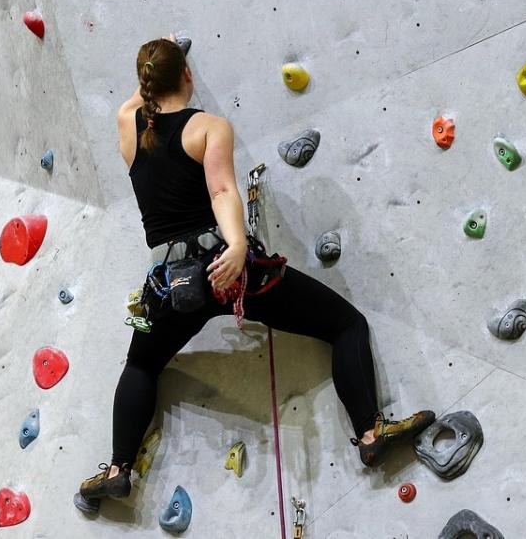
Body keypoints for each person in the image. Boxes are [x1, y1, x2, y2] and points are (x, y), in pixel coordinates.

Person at [78, 38, 435, 504]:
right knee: (346, 324)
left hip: (170, 286)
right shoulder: (208, 127)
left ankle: (118, 468)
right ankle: (370, 433)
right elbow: (223, 191)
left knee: (141, 364)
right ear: (187, 74)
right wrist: (239, 243)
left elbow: (135, 99)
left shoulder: (129, 125)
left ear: (144, 80)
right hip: (226, 270)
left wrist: (154, 65)